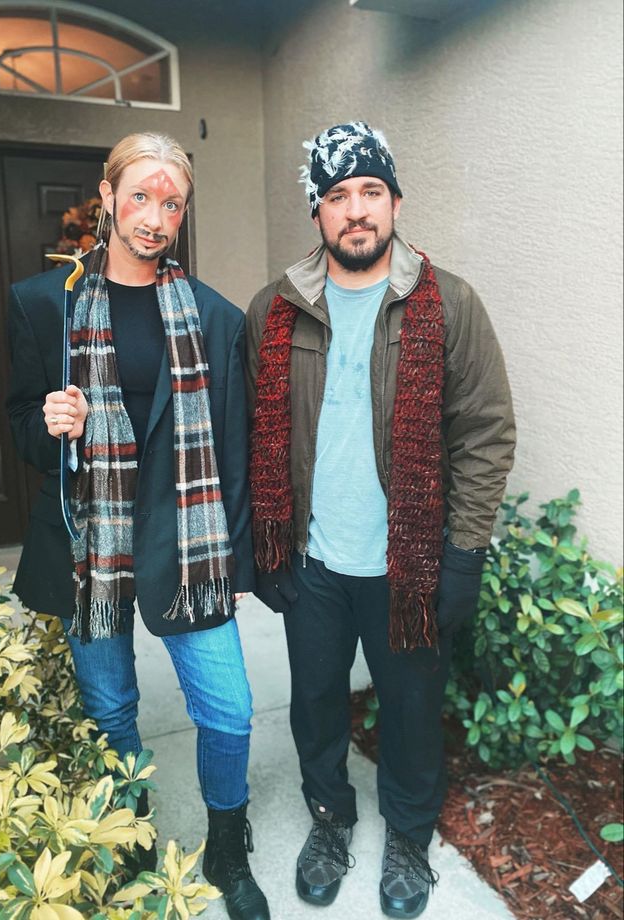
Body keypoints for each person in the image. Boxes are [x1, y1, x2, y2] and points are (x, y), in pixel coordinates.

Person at [246, 121, 515, 918]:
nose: (355, 211)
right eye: (337, 196)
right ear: (318, 212)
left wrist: (462, 554)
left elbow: (486, 432)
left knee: (408, 711)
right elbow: (253, 435)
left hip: (410, 566)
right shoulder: (278, 309)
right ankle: (329, 820)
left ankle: (408, 834)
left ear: (395, 200)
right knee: (318, 704)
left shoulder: (450, 302)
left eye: (370, 192)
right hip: (315, 562)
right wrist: (266, 551)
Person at [6, 132, 269, 920]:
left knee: (229, 708)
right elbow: (20, 421)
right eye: (143, 196)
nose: (156, 217)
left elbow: (235, 445)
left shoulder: (215, 318)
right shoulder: (42, 304)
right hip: (92, 543)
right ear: (109, 195)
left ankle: (227, 843)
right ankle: (131, 835)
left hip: (186, 543)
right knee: (112, 709)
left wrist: (237, 561)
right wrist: (47, 422)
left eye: (173, 203)